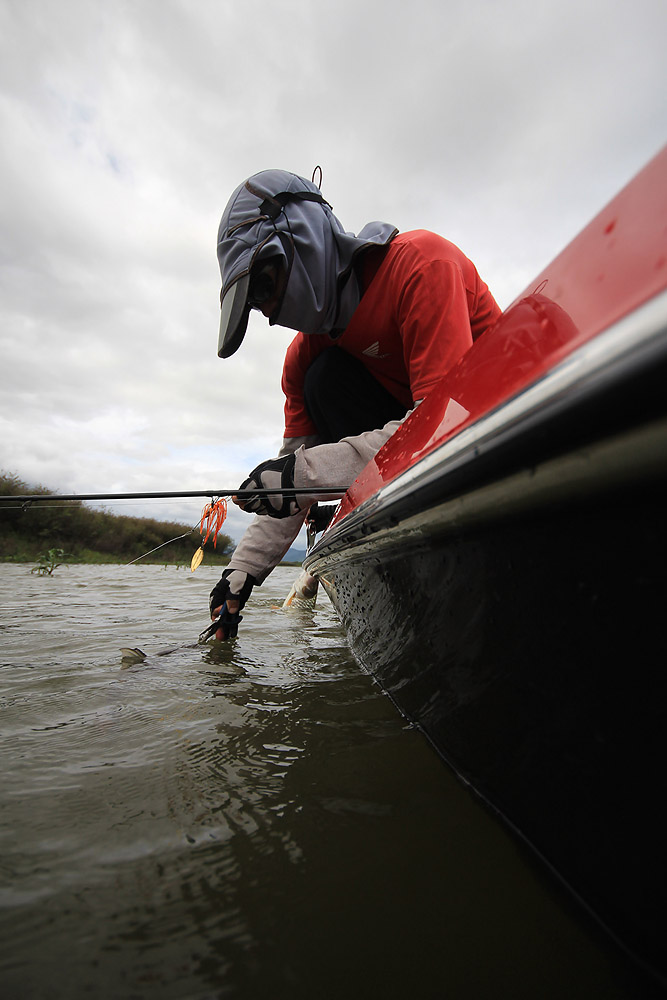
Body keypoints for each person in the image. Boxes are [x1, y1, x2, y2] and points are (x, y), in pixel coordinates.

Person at [209, 168, 501, 637]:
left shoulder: (422, 265)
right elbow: (293, 482)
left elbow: (441, 427)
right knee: (323, 381)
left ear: (304, 239)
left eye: (264, 286)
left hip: (486, 435)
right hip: (404, 458)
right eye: (255, 304)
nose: (268, 315)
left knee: (328, 394)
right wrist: (241, 576)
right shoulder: (302, 360)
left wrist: (301, 477)